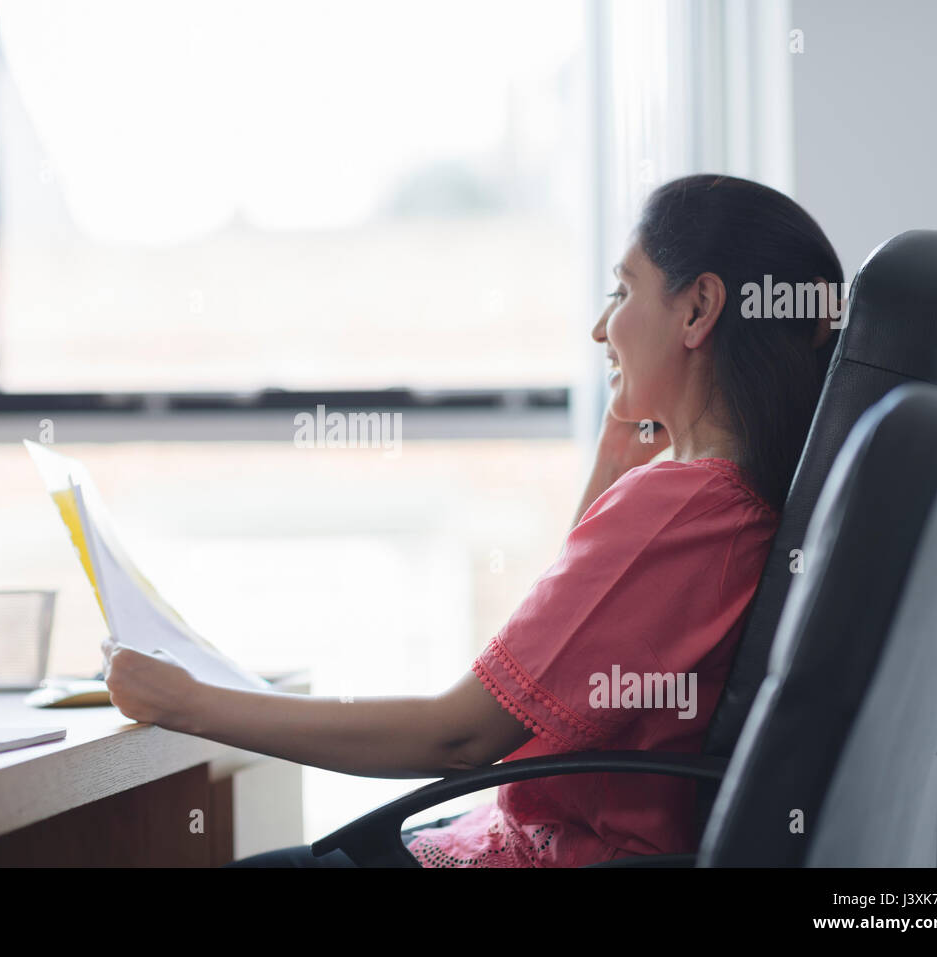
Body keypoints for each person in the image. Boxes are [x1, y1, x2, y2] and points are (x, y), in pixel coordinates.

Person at [100, 173, 844, 867]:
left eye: (622, 291)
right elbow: (567, 667)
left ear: (697, 309)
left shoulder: (680, 506)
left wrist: (189, 703)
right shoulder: (732, 503)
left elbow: (458, 734)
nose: (599, 328)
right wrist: (609, 474)